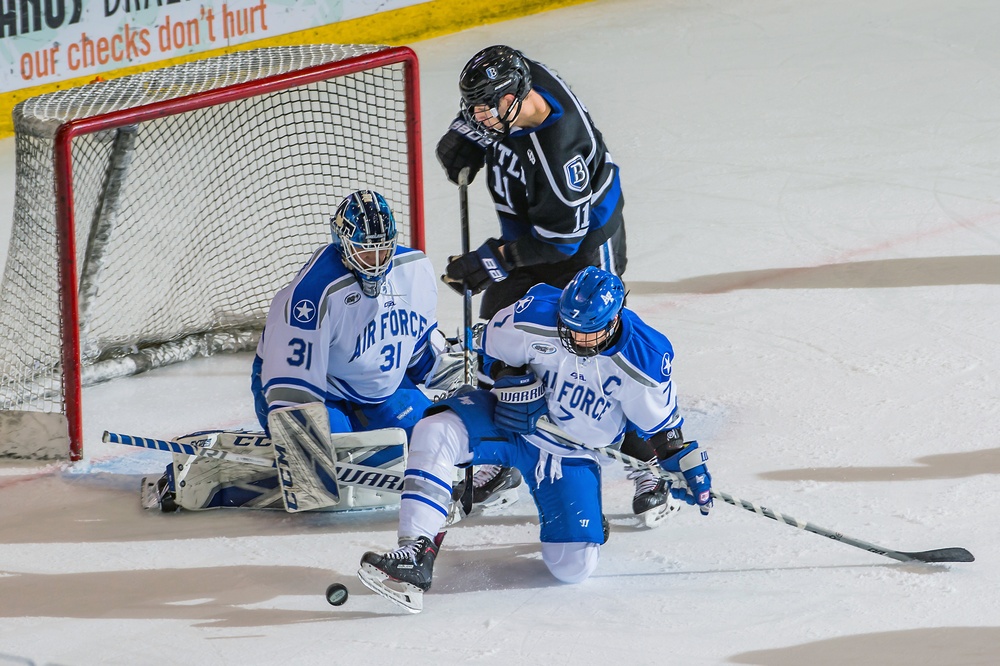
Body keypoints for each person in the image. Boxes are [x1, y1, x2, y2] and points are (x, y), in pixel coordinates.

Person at [357, 267, 713, 612]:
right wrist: (510, 379)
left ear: (615, 319)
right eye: (569, 329)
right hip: (509, 424)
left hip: (570, 454)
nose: (575, 341)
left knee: (573, 568)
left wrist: (680, 465)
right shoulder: (536, 312)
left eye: (587, 334)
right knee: (435, 430)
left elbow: (664, 433)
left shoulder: (644, 358)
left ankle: (585, 516)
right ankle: (415, 550)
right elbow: (490, 353)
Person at [150, 190, 459, 511]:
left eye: (383, 251)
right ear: (342, 243)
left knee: (438, 444)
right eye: (366, 252)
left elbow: (419, 351)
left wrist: (453, 380)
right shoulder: (311, 294)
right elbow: (287, 381)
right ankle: (213, 472)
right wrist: (304, 452)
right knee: (319, 488)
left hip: (378, 393)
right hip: (309, 391)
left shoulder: (415, 269)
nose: (376, 262)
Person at [434, 44, 640, 510]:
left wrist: (491, 261)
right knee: (496, 336)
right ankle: (502, 455)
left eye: (488, 108)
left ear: (515, 97)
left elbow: (559, 243)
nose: (480, 115)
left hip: (582, 246)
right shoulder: (520, 83)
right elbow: (485, 104)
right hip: (534, 231)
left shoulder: (559, 149)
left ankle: (649, 464)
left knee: (601, 351)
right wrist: (465, 132)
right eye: (475, 107)